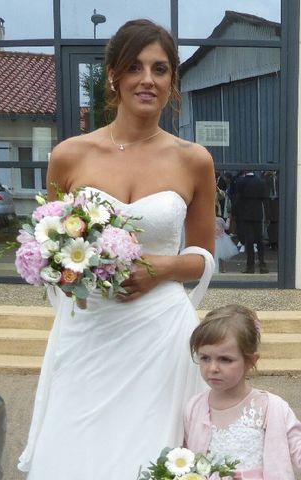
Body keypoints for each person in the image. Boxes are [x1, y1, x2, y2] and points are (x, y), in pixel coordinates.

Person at [18, 19, 216, 479]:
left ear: (173, 82)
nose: (147, 79)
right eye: (135, 67)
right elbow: (48, 248)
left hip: (160, 332)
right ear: (113, 76)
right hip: (89, 329)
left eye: (160, 69)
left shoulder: (194, 160)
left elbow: (203, 257)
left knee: (150, 453)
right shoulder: (70, 155)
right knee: (77, 448)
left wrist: (159, 269)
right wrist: (67, 275)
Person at [184, 304, 301, 479]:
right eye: (204, 358)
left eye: (225, 359)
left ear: (251, 360)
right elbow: (184, 463)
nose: (212, 368)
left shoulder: (272, 409)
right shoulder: (194, 408)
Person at [234, 171, 269, 274]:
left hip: (245, 214)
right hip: (257, 214)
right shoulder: (261, 182)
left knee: (249, 241)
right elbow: (264, 199)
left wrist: (236, 213)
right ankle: (262, 264)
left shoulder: (241, 182)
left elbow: (237, 197)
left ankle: (250, 266)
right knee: (259, 240)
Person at [215, 207, 238, 273]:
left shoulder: (208, 219)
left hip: (213, 239)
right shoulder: (220, 219)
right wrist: (228, 220)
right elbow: (226, 227)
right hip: (222, 238)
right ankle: (224, 269)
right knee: (223, 254)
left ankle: (214, 267)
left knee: (214, 254)